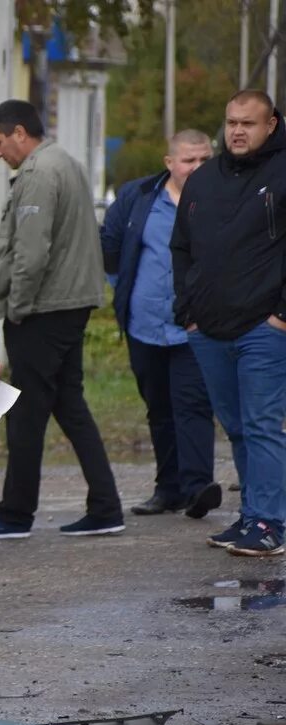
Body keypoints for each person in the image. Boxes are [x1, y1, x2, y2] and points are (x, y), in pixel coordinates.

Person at [0, 99, 124, 540]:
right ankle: (106, 506)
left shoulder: (36, 173)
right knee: (70, 405)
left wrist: (17, 309)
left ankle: (15, 515)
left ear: (18, 134)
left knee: (26, 414)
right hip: (70, 303)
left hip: (44, 309)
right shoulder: (63, 162)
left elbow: (30, 255)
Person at [171, 89, 286, 557]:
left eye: (248, 123)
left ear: (272, 125)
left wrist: (281, 315)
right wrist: (188, 311)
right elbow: (181, 247)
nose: (237, 131)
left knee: (262, 424)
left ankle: (270, 523)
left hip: (264, 326)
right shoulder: (204, 180)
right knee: (237, 426)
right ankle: (251, 516)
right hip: (209, 329)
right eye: (231, 122)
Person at [100, 130, 221, 520]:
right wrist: (123, 290)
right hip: (144, 326)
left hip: (195, 328)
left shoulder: (221, 200)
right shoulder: (139, 198)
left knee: (193, 406)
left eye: (204, 160)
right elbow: (111, 247)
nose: (197, 168)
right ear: (170, 163)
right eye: (189, 161)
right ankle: (167, 489)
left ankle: (198, 489)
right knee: (159, 409)